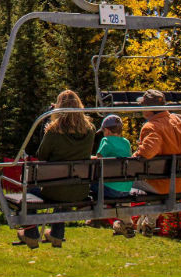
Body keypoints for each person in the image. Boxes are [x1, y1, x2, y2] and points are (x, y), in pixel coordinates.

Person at [16, 90, 96, 249]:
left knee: (30, 189)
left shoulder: (54, 131)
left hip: (54, 190)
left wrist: (46, 133)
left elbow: (42, 155)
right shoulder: (90, 130)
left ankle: (31, 234)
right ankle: (56, 234)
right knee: (67, 184)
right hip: (80, 189)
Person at [132, 89, 181, 236]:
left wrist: (135, 154)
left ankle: (126, 222)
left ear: (148, 110)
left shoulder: (151, 127)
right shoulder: (180, 120)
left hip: (163, 184)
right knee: (157, 183)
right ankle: (149, 221)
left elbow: (147, 152)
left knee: (126, 180)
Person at [92, 114, 135, 238]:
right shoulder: (126, 143)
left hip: (109, 190)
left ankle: (94, 216)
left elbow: (99, 159)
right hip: (125, 190)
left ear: (107, 130)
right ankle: (124, 223)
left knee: (90, 185)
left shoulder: (106, 141)